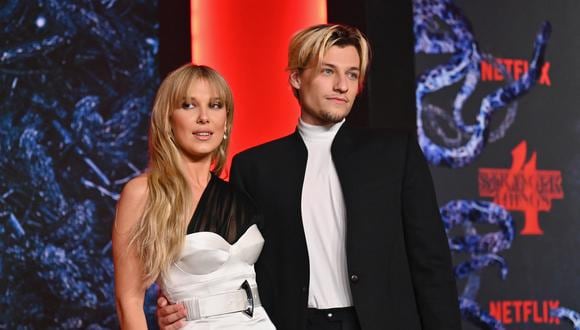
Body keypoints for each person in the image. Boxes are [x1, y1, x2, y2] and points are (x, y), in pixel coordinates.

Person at [158, 24, 462, 330]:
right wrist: (183, 308)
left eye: (353, 74)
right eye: (328, 71)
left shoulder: (395, 154)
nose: (343, 85)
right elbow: (232, 269)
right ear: (296, 77)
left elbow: (431, 263)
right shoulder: (255, 167)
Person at [112, 64, 275, 329]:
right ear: (168, 120)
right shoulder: (143, 193)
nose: (204, 117)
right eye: (188, 105)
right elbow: (128, 300)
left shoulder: (240, 193)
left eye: (215, 105)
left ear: (226, 120)